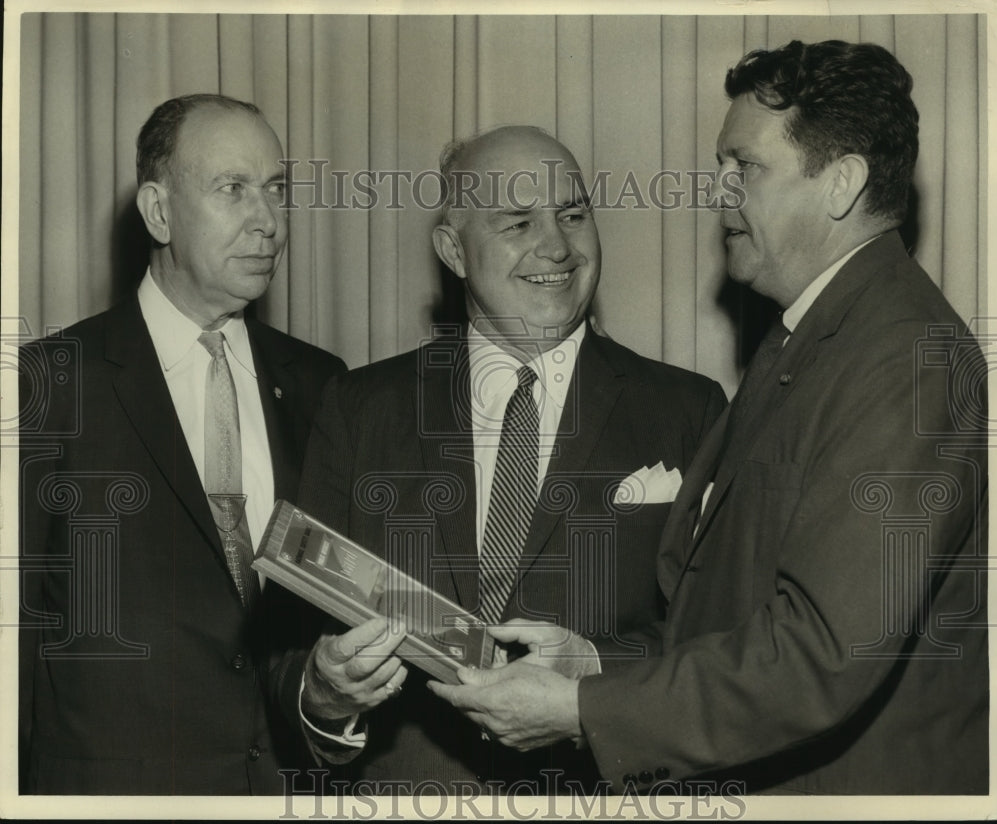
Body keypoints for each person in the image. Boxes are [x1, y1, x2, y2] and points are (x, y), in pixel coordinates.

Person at [430, 41, 989, 795]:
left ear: (842, 183)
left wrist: (581, 708)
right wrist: (593, 662)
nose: (718, 193)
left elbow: (819, 656)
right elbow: (728, 612)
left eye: (744, 169)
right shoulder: (814, 334)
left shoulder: (905, 357)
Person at [293, 125, 727, 792]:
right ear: (453, 251)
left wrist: (591, 667)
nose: (557, 246)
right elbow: (288, 646)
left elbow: (724, 642)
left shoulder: (688, 409)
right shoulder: (359, 406)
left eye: (574, 215)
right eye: (518, 222)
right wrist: (326, 697)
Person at [18, 93, 346, 794]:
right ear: (159, 212)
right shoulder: (48, 385)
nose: (268, 222)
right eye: (234, 190)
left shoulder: (322, 384)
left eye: (276, 190)